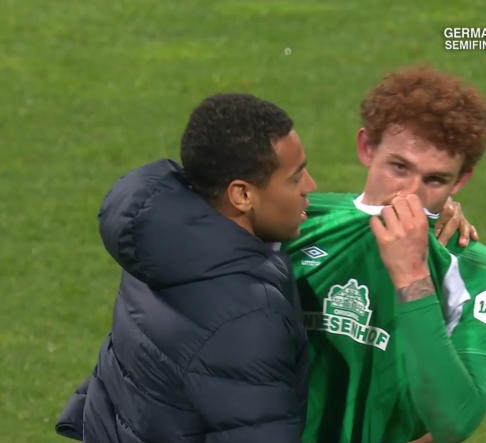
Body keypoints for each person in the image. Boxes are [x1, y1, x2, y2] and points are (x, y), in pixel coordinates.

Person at [56, 93, 316, 442]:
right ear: (242, 195)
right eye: (295, 177)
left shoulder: (164, 243)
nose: (310, 187)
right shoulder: (248, 315)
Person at [280, 65, 486, 443]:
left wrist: (413, 278)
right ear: (366, 148)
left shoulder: (480, 272)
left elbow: (455, 422)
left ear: (461, 180)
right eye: (399, 167)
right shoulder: (298, 220)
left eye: (435, 179)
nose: (409, 193)